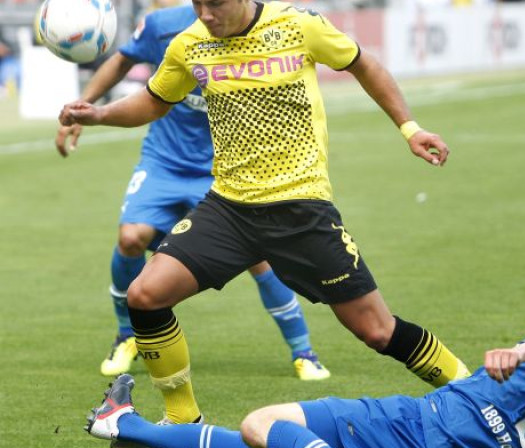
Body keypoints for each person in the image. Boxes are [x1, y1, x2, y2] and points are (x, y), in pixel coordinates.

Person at [60, 0, 470, 426]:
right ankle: (183, 419)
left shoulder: (299, 26)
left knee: (377, 331)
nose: (205, 14)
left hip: (301, 210)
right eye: (198, 3)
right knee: (145, 296)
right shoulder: (189, 44)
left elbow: (364, 65)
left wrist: (410, 128)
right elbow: (154, 101)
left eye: (215, 4)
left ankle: (476, 393)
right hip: (228, 209)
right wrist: (99, 114)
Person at [56, 4, 331, 384]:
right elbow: (122, 60)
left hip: (224, 166)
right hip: (165, 161)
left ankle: (303, 351)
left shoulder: (260, 28)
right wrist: (86, 104)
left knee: (259, 258)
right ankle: (126, 336)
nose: (208, 11)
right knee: (130, 237)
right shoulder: (163, 26)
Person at [87, 266, 525, 448]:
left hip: (422, 427)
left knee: (262, 423)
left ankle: (123, 424)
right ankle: (123, 424)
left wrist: (520, 349)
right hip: (428, 423)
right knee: (267, 441)